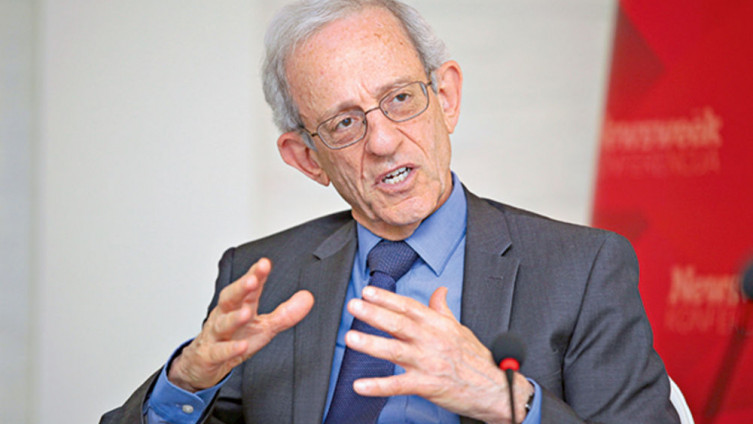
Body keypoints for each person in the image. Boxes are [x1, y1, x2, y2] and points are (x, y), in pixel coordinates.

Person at [101, 0, 680, 423]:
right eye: (344, 123)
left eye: (400, 98)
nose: (382, 141)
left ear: (445, 98)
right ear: (307, 158)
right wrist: (188, 379)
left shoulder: (580, 270)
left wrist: (505, 399)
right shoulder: (264, 280)